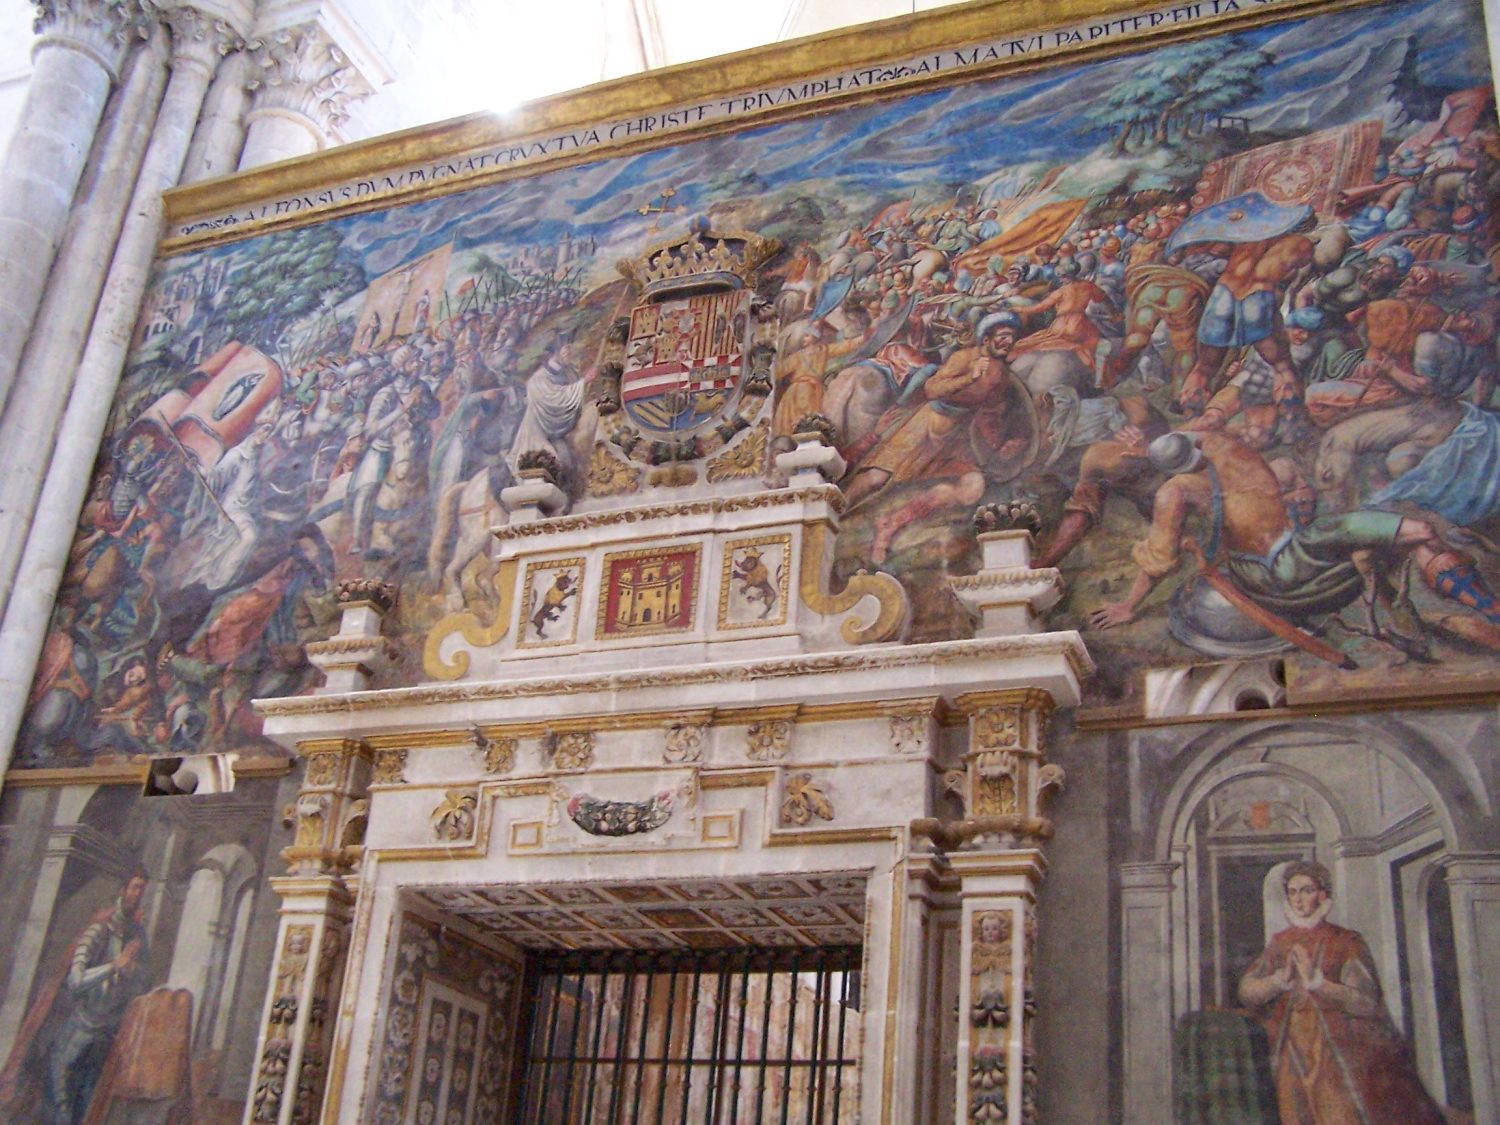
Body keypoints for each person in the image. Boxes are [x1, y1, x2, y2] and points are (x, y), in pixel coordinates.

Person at [1237, 862, 1444, 1124]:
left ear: (1322, 895)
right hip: (1291, 1046)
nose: (1299, 899)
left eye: (1306, 890)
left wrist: (1319, 984)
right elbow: (1247, 991)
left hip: (1336, 1048)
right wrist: (1279, 980)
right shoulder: (1281, 942)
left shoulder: (1346, 941)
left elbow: (1367, 1002)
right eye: (1292, 892)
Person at [0, 873, 151, 1124]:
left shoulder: (136, 938)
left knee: (89, 1102)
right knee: (60, 1099)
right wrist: (114, 965)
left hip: (106, 1033)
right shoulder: (98, 930)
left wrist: (132, 975)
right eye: (135, 888)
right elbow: (75, 980)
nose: (138, 895)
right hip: (80, 1026)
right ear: (123, 890)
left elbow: (137, 985)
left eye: (142, 890)